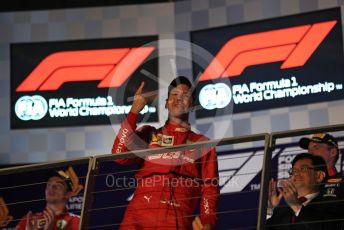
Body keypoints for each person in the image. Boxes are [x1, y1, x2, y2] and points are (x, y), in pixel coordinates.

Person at [112, 76, 219, 229]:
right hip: (138, 217)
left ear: (193, 105)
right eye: (174, 95)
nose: (179, 99)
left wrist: (207, 220)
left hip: (177, 217)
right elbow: (118, 154)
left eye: (185, 96)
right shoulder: (148, 134)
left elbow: (210, 187)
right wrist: (134, 110)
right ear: (166, 104)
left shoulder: (203, 144)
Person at [266, 153, 341, 230]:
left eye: (303, 169)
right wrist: (270, 209)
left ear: (319, 176)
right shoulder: (281, 212)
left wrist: (296, 206)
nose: (296, 174)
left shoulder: (332, 203)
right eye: (293, 171)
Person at [16, 167, 83, 230]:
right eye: (49, 184)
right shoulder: (29, 220)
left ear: (68, 194)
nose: (52, 187)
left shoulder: (76, 221)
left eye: (58, 185)